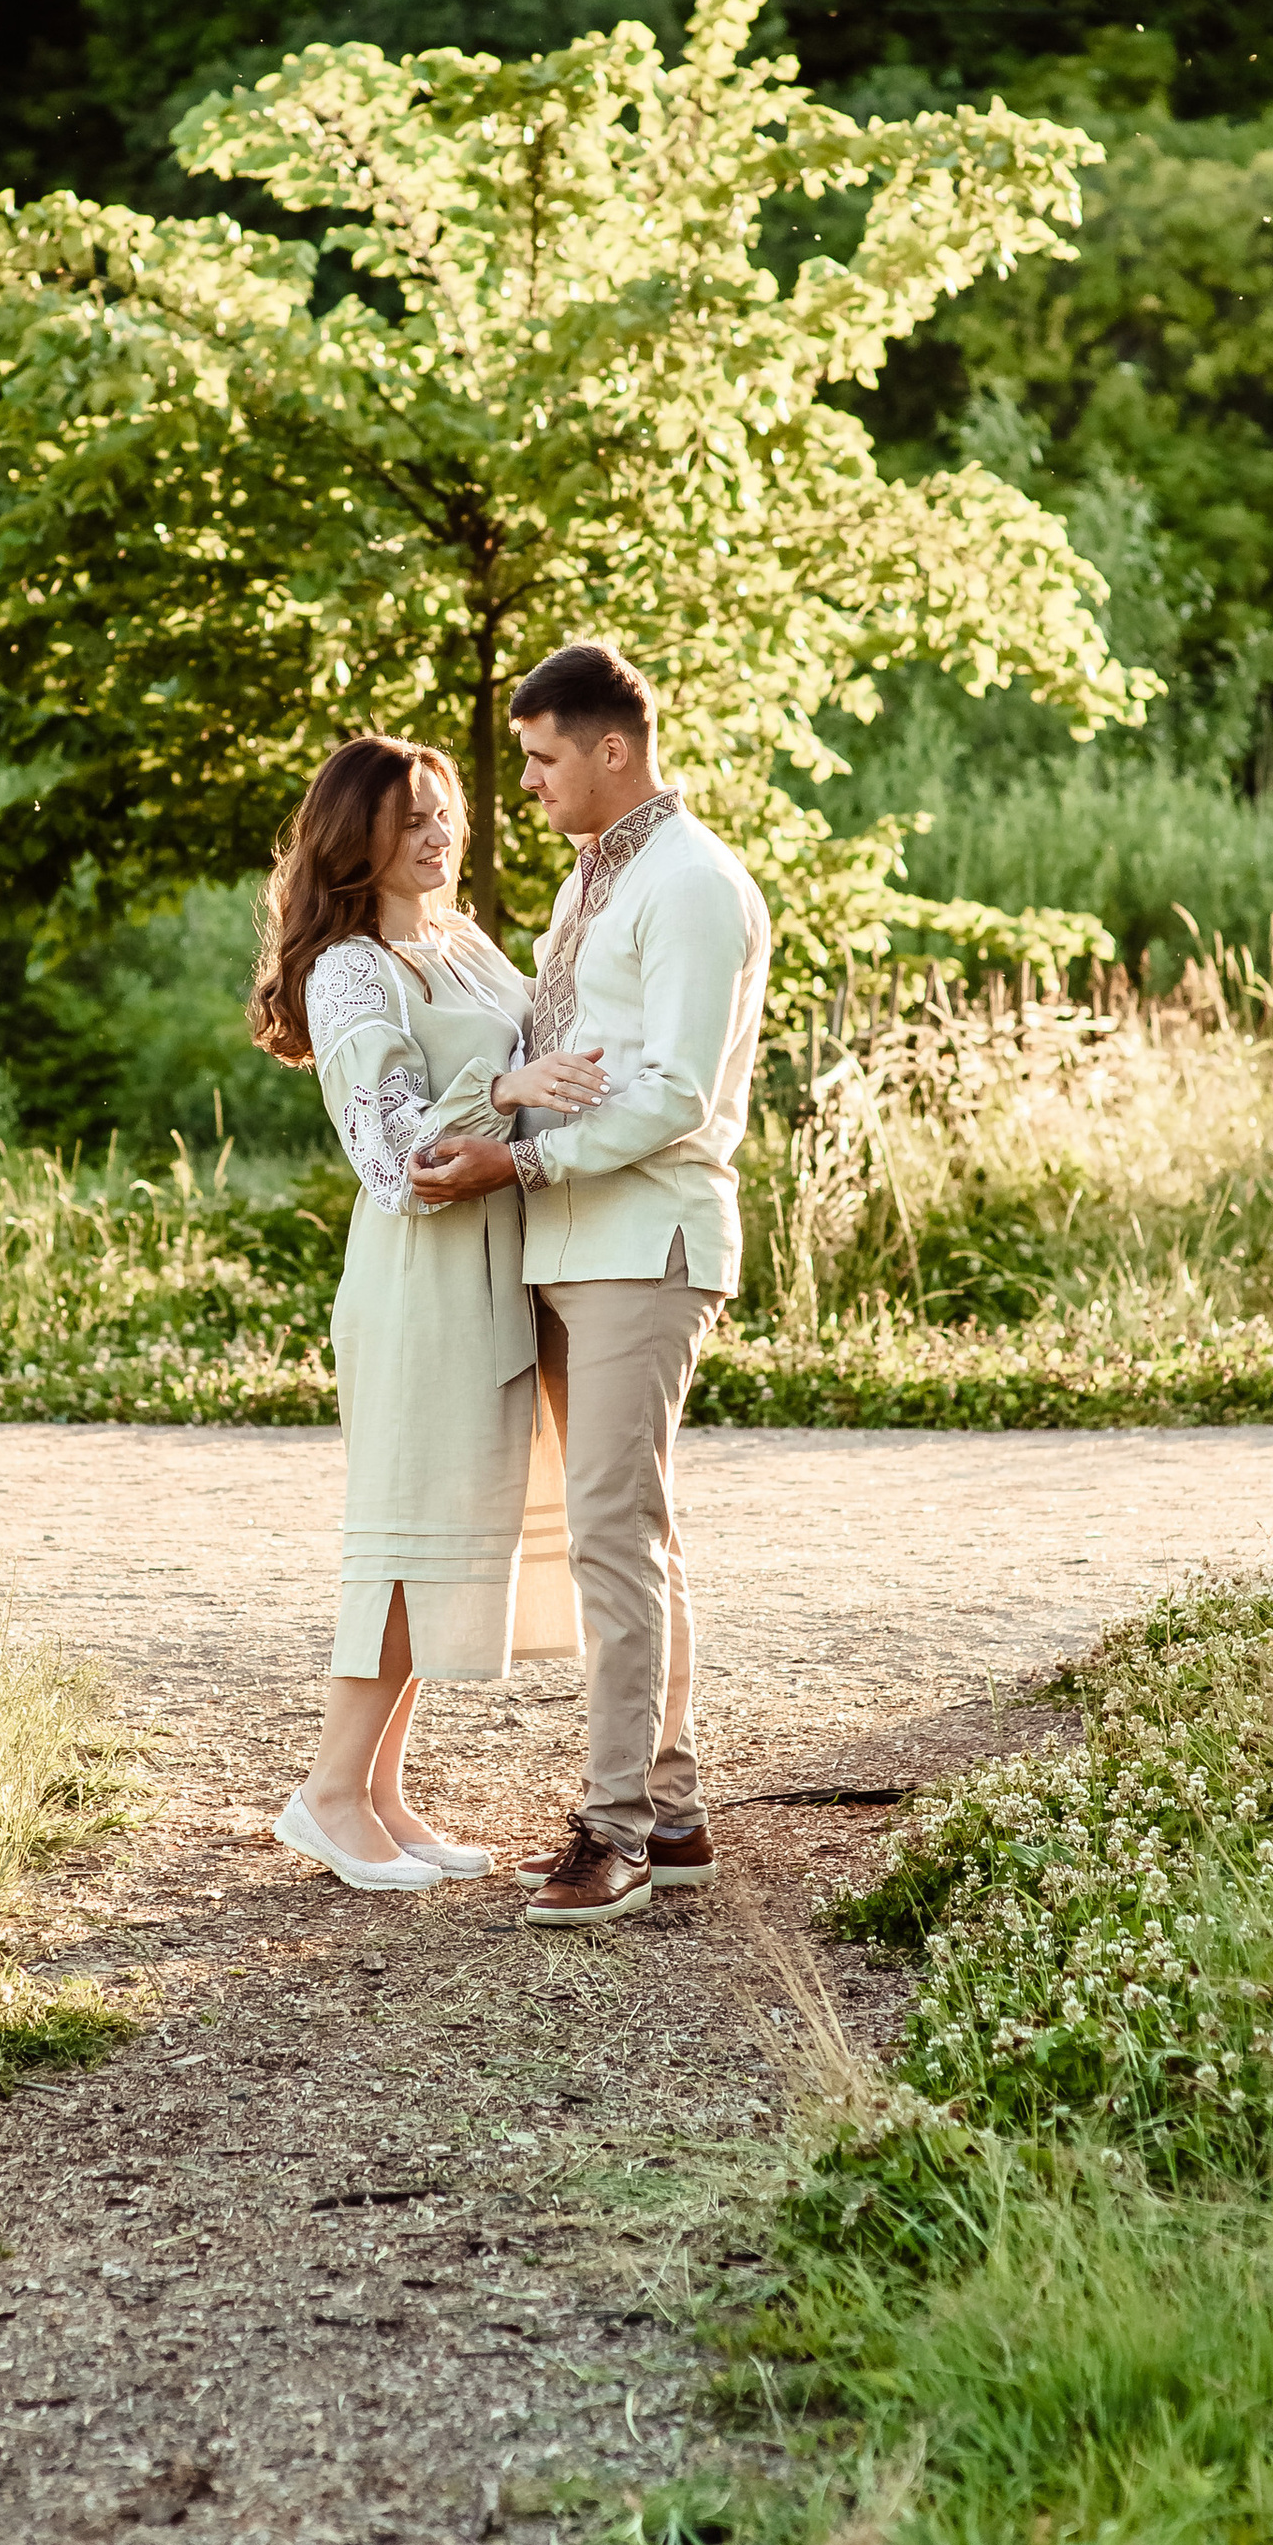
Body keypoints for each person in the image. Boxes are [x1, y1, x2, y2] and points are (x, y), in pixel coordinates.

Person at [410, 643, 771, 1928]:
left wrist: (519, 1158)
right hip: (571, 1241)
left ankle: (611, 1828)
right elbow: (549, 1049)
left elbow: (672, 1093)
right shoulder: (594, 881)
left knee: (617, 1537)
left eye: (545, 757)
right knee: (629, 1535)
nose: (532, 783)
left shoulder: (687, 883)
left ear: (614, 748)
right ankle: (670, 1816)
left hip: (645, 1245)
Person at [245, 735, 606, 1892]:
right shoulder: (350, 970)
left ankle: (382, 1794)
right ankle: (327, 1793)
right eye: (410, 820)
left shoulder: (454, 941)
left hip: (495, 1260)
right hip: (419, 1276)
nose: (438, 835)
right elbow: (394, 1160)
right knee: (401, 1543)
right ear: (358, 839)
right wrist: (498, 1092)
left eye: (443, 812)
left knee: (450, 1534)